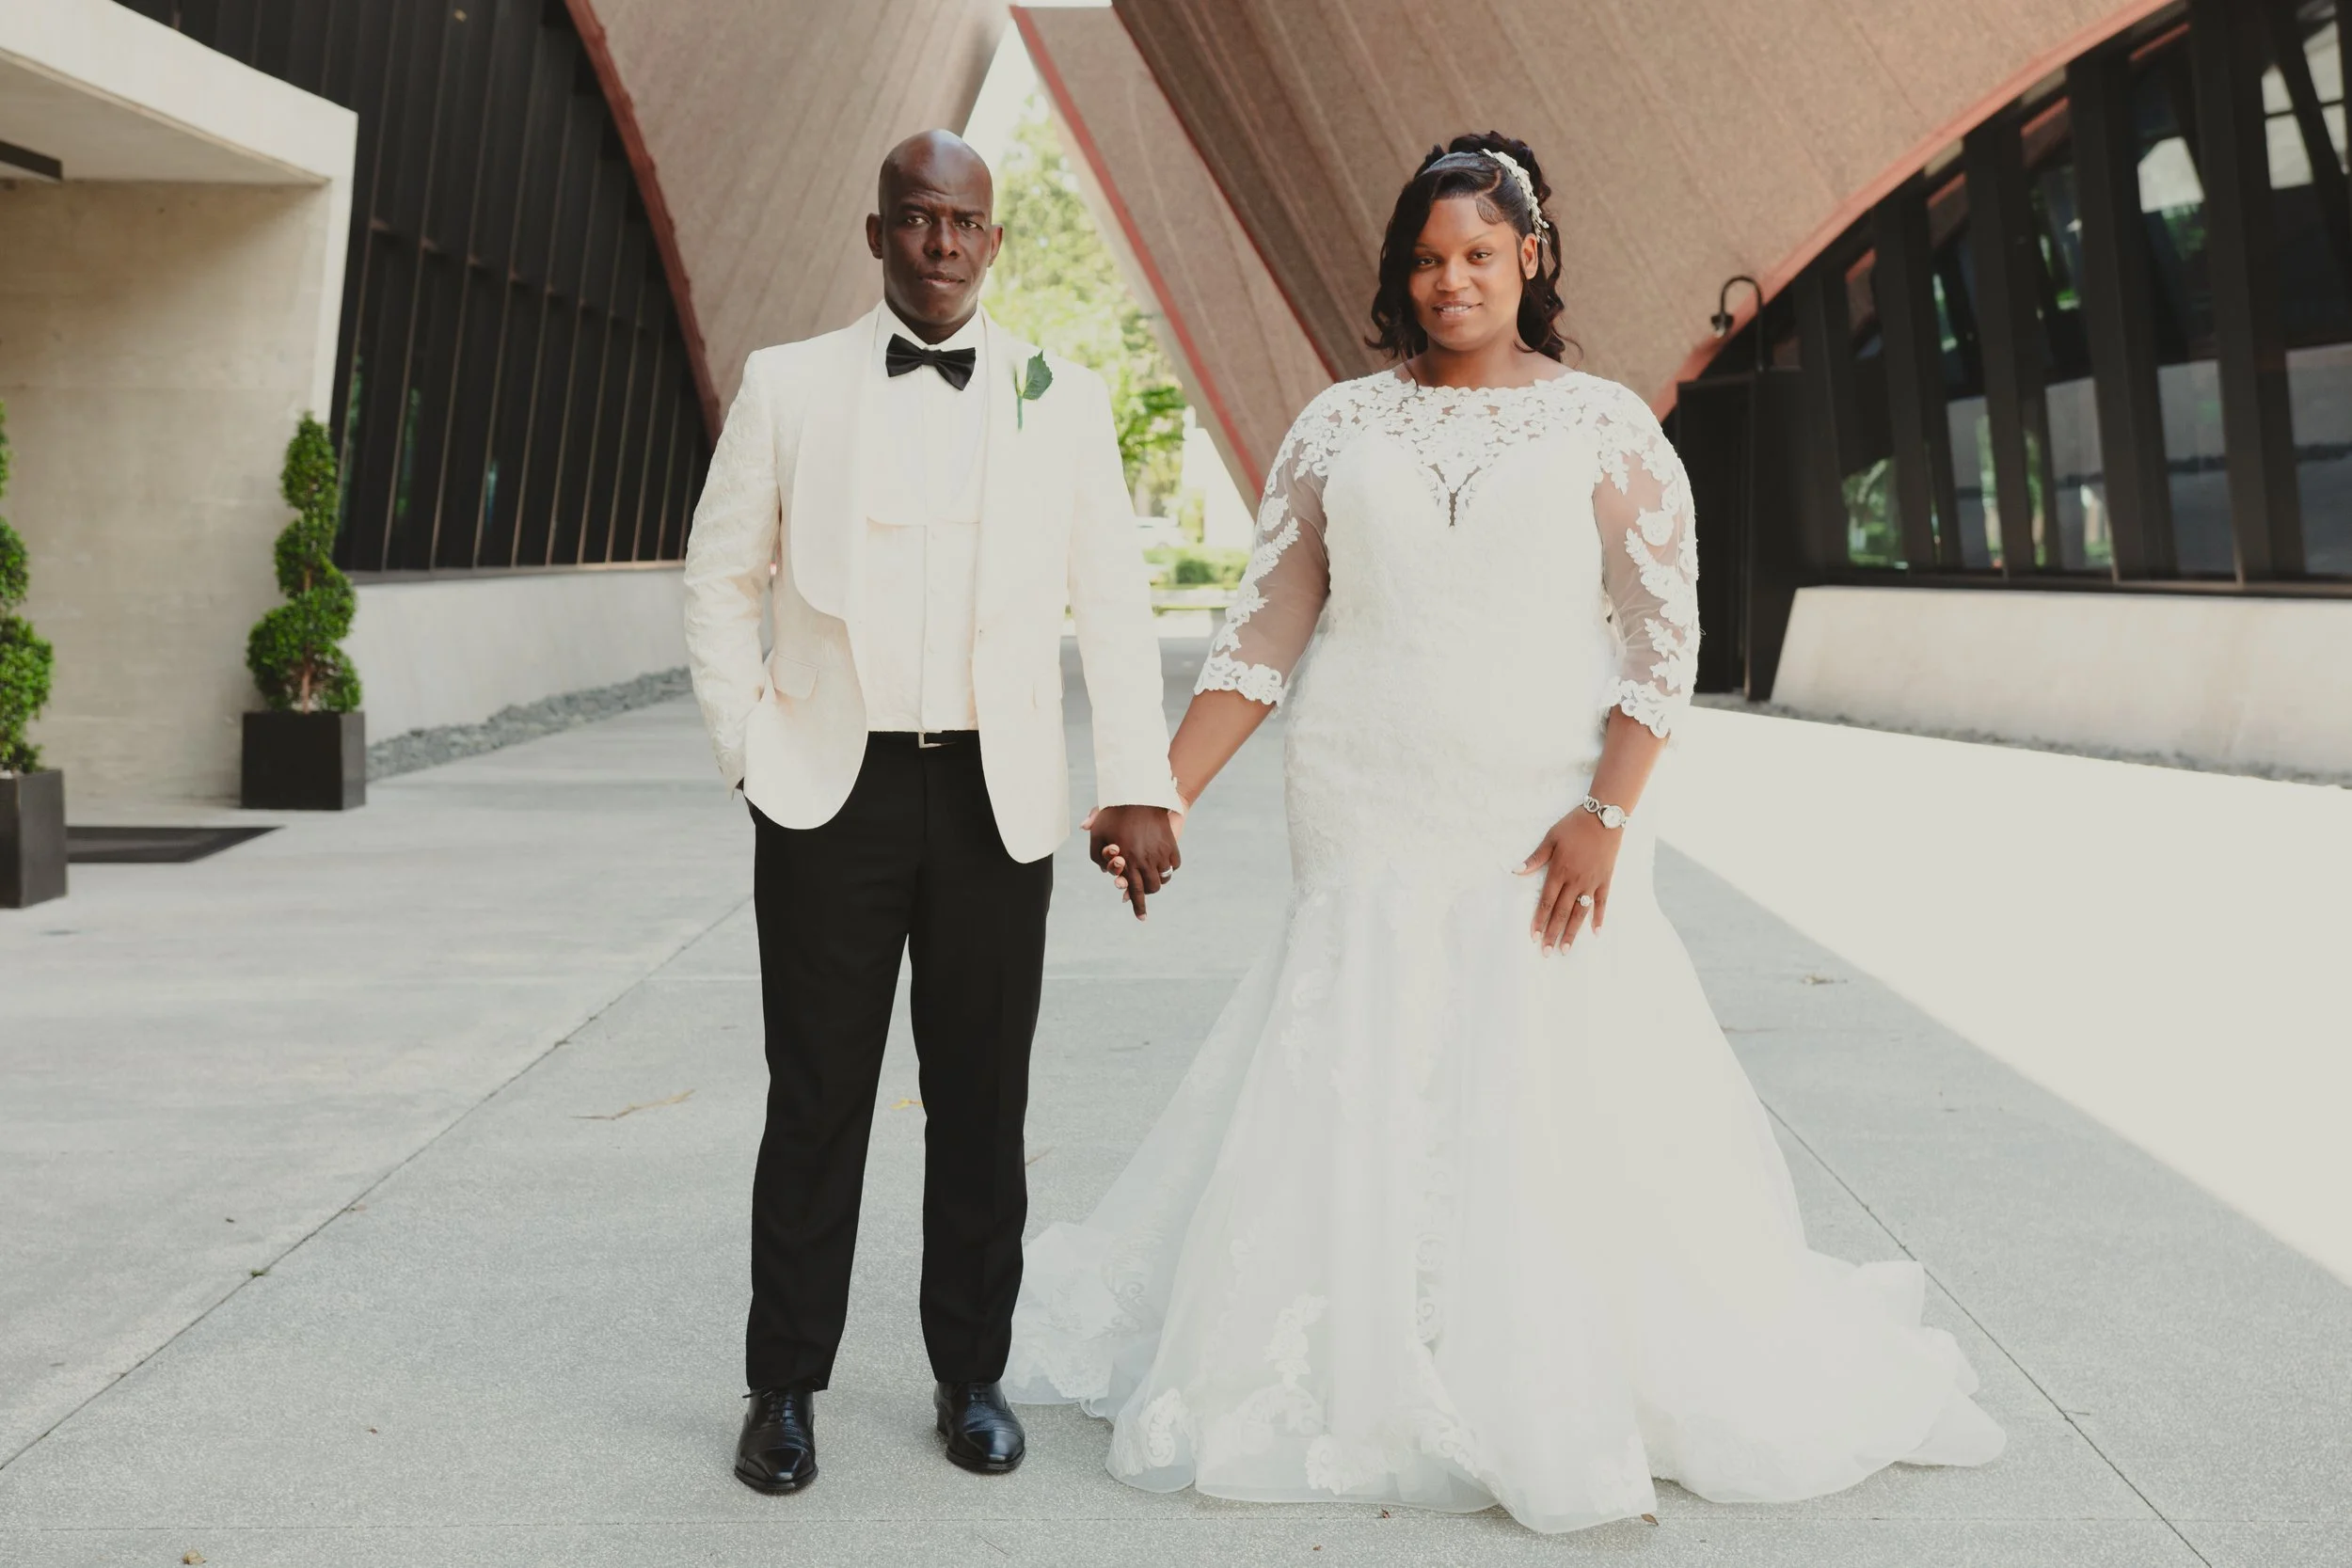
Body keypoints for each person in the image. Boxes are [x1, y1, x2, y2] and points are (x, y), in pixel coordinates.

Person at [1006, 133, 2004, 1533]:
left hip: (1540, 816)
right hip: (1362, 795)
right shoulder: (1337, 428)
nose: (1450, 281)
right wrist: (1161, 791)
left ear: (1529, 256)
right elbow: (1263, 634)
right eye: (1426, 259)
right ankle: (1355, 1354)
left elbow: (1664, 644)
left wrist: (1607, 816)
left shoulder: (1606, 426)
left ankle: (1534, 1362)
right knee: (1365, 1045)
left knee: (1538, 1065)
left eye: (1477, 253)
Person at [680, 129, 1184, 1496]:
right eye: (916, 218)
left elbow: (1114, 603)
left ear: (994, 240)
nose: (942, 243)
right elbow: (719, 580)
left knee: (980, 1099)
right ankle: (784, 1385)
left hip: (992, 797)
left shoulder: (1063, 397)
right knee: (816, 1098)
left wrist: (1137, 780)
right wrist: (750, 753)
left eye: (964, 222)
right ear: (878, 233)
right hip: (827, 794)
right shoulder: (788, 386)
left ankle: (973, 1373)